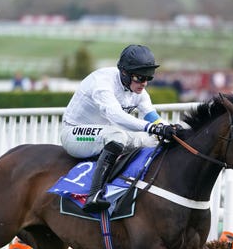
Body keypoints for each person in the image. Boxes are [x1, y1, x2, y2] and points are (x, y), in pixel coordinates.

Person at [60, 44, 183, 212]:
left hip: (106, 134)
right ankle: (94, 195)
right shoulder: (102, 83)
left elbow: (151, 116)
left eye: (148, 78)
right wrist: (152, 128)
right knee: (117, 136)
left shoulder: (139, 91)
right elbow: (116, 116)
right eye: (140, 78)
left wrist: (170, 129)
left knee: (155, 140)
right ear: (124, 73)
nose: (144, 83)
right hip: (75, 134)